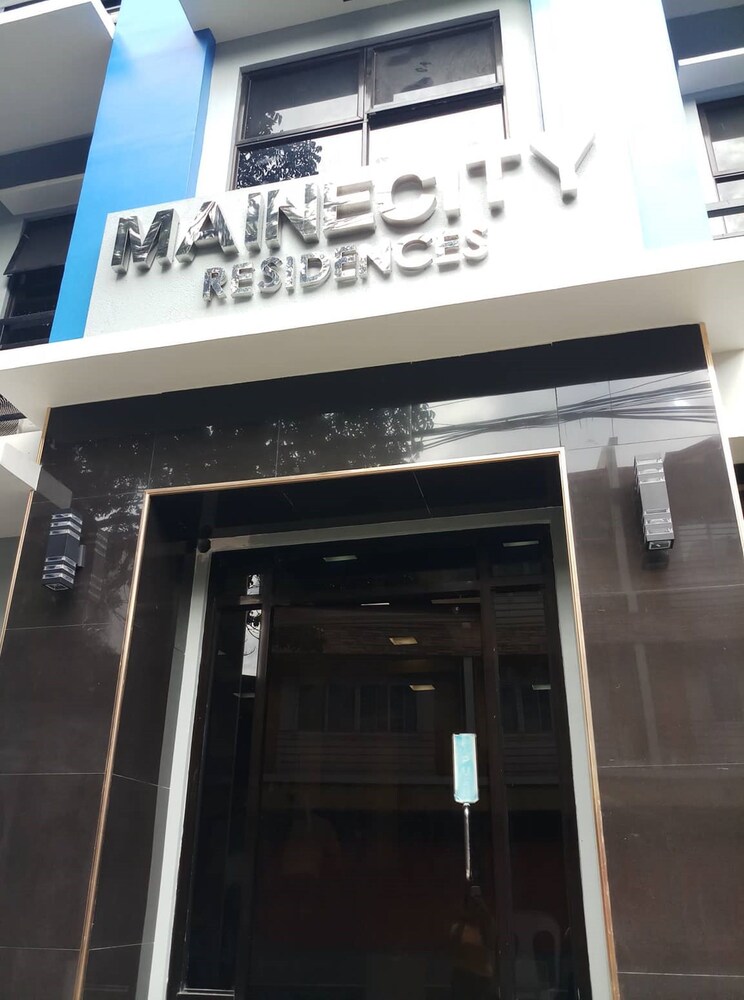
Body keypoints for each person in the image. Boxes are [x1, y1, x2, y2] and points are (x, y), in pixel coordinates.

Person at [450, 884, 498, 999]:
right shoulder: (458, 928)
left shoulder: (486, 926)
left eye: (476, 904)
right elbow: (454, 952)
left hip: (482, 979)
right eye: (471, 904)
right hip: (464, 978)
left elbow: (492, 938)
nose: (474, 908)